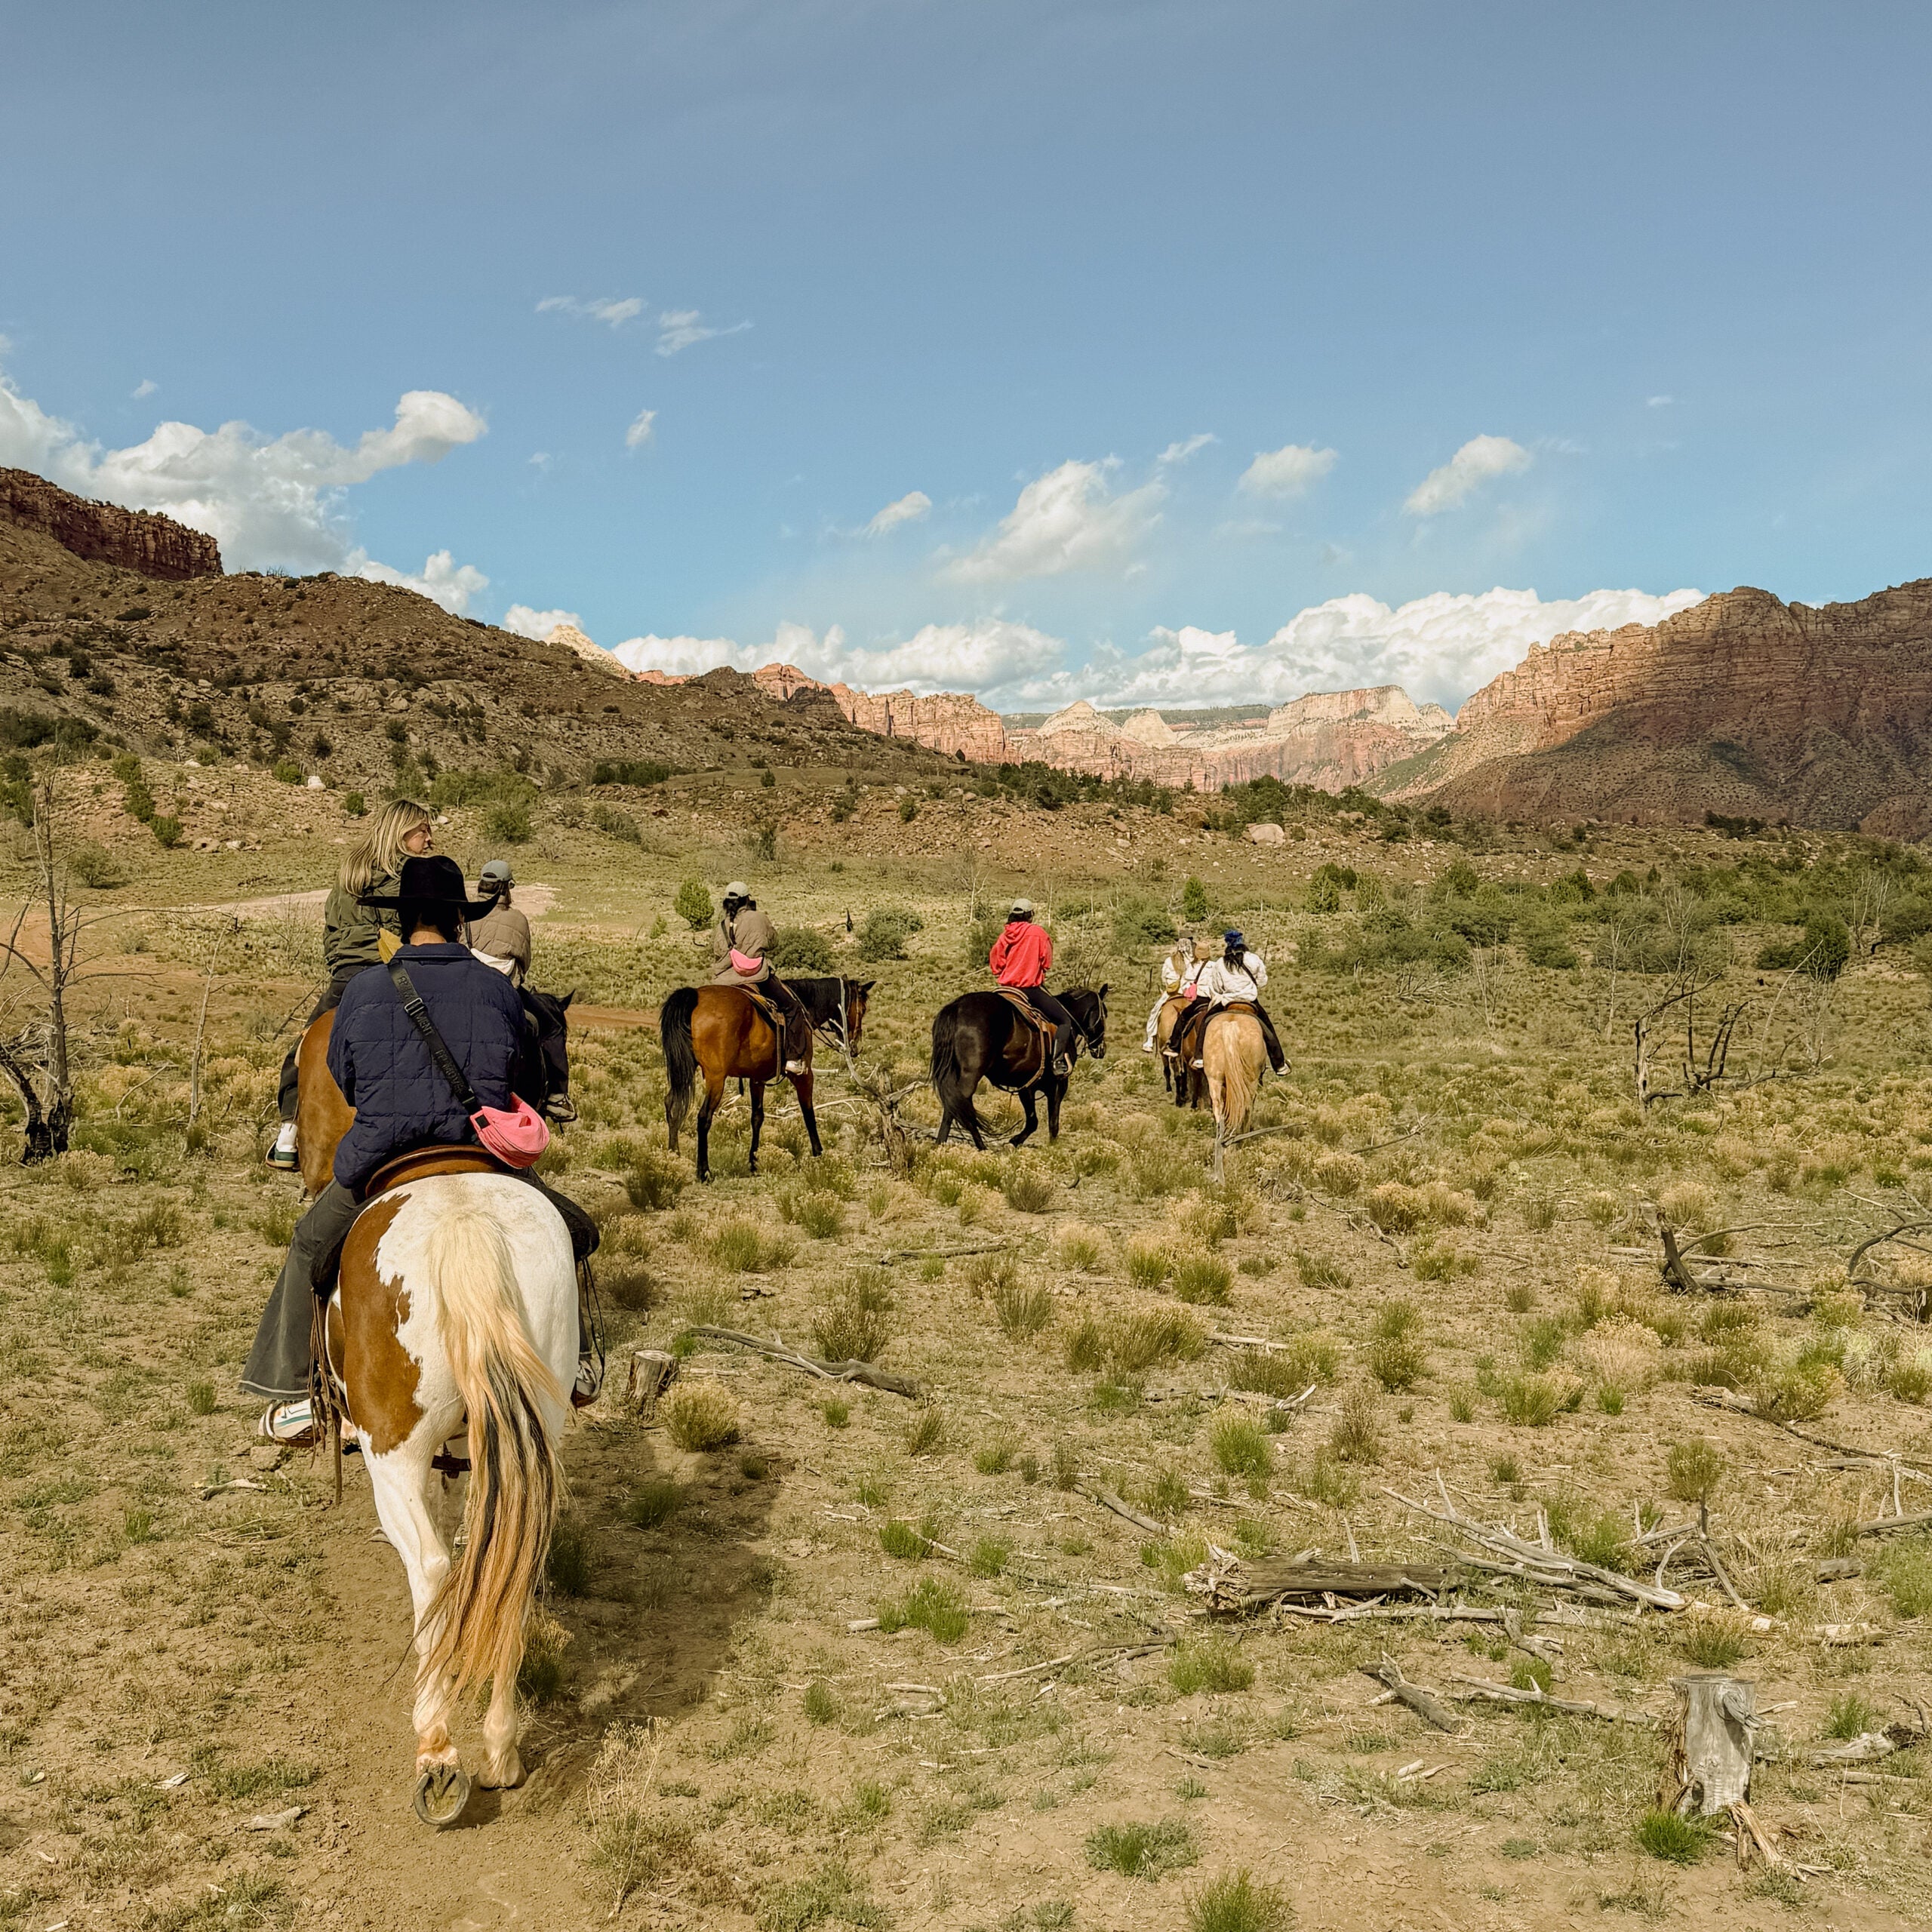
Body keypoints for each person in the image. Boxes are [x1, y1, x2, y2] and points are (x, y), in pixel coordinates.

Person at [243, 855, 601, 1441]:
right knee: (575, 1233)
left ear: (404, 921)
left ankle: (293, 1394)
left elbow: (348, 1078)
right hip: (484, 1155)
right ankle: (578, 1364)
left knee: (310, 1243)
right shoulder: (496, 990)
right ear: (461, 921)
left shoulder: (362, 990)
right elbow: (525, 1080)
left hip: (383, 1156)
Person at [267, 798, 433, 1171]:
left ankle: (288, 1134)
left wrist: (339, 962)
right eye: (422, 831)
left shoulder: (350, 871)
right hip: (395, 970)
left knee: (303, 1046)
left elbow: (331, 928)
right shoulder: (414, 873)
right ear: (401, 831)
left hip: (346, 974)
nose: (429, 839)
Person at [711, 881, 811, 1075]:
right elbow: (774, 941)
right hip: (755, 975)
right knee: (792, 1008)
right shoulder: (759, 917)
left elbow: (716, 951)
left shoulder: (721, 926)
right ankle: (793, 1059)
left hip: (724, 979)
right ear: (747, 899)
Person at [1170, 928, 1287, 1078]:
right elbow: (1262, 981)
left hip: (1227, 1001)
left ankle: (1199, 1056)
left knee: (1206, 1021)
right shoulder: (1253, 959)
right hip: (1250, 1000)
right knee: (1268, 1028)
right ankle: (1279, 1064)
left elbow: (1217, 987)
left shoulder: (1220, 963)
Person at [988, 898, 1075, 1077]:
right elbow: (1047, 962)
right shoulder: (1039, 933)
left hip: (1005, 989)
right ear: (1030, 915)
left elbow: (996, 964)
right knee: (1065, 1021)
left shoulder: (1005, 935)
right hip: (1029, 990)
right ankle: (1058, 1062)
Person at [469, 859, 531, 983]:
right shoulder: (519, 919)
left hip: (467, 979)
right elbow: (525, 963)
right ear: (507, 887)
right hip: (503, 984)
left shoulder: (463, 912)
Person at [1142, 928, 1199, 1053]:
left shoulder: (1169, 961)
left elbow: (1164, 979)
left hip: (1173, 993)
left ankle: (1149, 1040)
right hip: (1192, 993)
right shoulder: (1196, 961)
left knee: (1155, 1012)